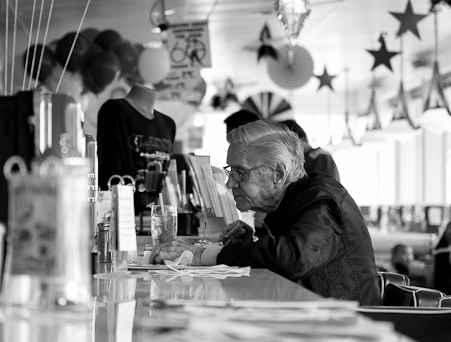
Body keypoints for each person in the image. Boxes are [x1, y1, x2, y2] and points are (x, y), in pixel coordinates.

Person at [150, 120, 381, 306]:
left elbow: (293, 259)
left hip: (345, 331)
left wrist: (207, 253)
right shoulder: (294, 201)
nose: (230, 183)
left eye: (240, 172)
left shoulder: (323, 202)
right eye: (231, 171)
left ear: (278, 174)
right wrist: (249, 244)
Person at [97, 84, 176, 211]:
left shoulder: (168, 124)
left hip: (151, 216)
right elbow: (108, 164)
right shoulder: (116, 110)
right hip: (118, 213)